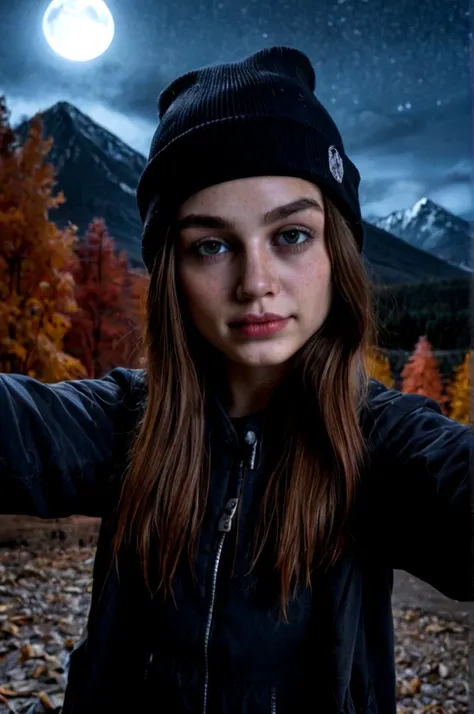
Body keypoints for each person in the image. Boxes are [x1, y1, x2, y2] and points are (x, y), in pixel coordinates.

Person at [1, 46, 471, 714]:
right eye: (211, 245)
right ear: (173, 275)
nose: (255, 283)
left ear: (337, 251)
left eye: (292, 236)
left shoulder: (380, 442)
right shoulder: (125, 421)